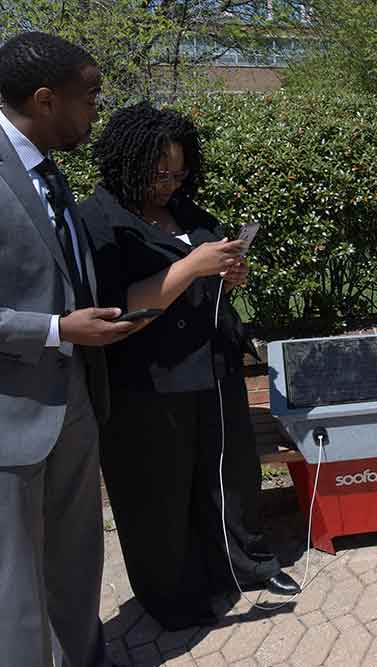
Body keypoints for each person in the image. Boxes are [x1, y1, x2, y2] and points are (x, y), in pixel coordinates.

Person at [80, 102, 300, 631]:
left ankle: (246, 564)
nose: (170, 184)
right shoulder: (100, 221)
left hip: (213, 366)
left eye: (180, 172)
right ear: (127, 162)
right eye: (160, 173)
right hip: (149, 379)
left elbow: (210, 273)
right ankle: (173, 597)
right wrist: (189, 267)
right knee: (158, 489)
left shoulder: (189, 213)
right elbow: (116, 307)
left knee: (229, 474)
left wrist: (229, 273)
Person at [0, 32, 139, 666]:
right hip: (12, 417)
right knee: (16, 582)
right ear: (45, 98)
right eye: (89, 98)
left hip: (77, 403)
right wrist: (58, 331)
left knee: (78, 555)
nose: (96, 112)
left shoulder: (48, 167)